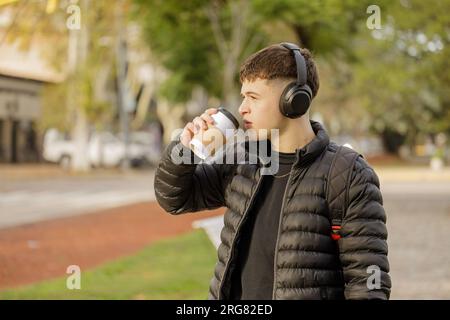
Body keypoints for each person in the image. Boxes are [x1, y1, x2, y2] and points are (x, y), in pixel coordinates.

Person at [154, 43, 391, 300]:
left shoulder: (348, 174)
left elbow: (368, 284)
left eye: (253, 97)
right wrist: (186, 148)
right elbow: (174, 199)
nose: (242, 107)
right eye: (243, 96)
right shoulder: (241, 160)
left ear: (295, 100)